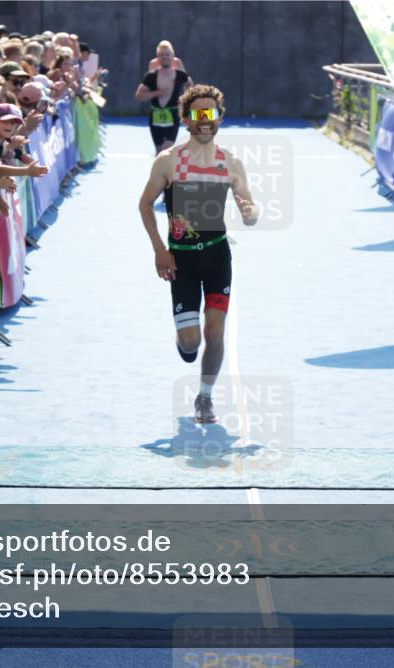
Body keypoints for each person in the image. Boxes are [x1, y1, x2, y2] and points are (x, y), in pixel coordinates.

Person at [137, 84, 258, 424]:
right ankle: (184, 340)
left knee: (215, 332)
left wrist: (250, 212)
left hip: (217, 257)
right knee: (191, 344)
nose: (205, 120)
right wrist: (159, 250)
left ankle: (204, 397)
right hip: (182, 262)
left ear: (220, 118)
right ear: (187, 120)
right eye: (198, 114)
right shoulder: (168, 161)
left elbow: (250, 208)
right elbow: (145, 204)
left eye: (211, 113)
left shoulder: (230, 162)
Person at [135, 41, 192, 154]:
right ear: (158, 57)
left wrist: (185, 100)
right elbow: (139, 96)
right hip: (155, 116)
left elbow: (189, 84)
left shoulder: (180, 75)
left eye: (167, 54)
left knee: (167, 151)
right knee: (159, 151)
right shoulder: (151, 76)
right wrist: (158, 93)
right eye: (161, 55)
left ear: (172, 56)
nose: (165, 57)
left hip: (173, 115)